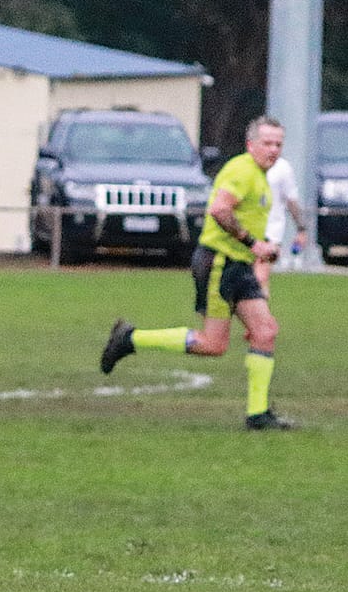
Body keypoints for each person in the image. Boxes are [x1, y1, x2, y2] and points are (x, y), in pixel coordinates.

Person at [99, 115, 296, 430]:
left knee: (265, 331)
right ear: (250, 145)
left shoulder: (261, 177)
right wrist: (253, 242)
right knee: (213, 344)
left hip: (238, 266)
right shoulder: (242, 171)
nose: (273, 150)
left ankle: (258, 415)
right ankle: (130, 339)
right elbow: (219, 210)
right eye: (267, 143)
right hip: (218, 262)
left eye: (278, 144)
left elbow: (253, 240)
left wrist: (260, 264)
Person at [259, 152, 308, 291]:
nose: (272, 148)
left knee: (261, 277)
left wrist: (301, 229)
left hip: (271, 231)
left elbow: (291, 200)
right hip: (248, 230)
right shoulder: (244, 166)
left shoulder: (282, 167)